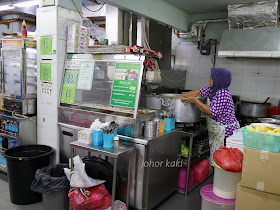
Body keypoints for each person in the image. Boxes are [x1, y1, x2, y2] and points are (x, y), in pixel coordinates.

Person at [180, 68, 239, 166]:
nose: (209, 79)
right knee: (217, 158)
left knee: (223, 161)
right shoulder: (213, 90)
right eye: (210, 77)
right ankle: (217, 179)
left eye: (212, 78)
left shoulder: (222, 93)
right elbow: (198, 92)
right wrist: (178, 97)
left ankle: (219, 180)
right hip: (218, 131)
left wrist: (195, 101)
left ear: (219, 80)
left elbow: (212, 113)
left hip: (225, 134)